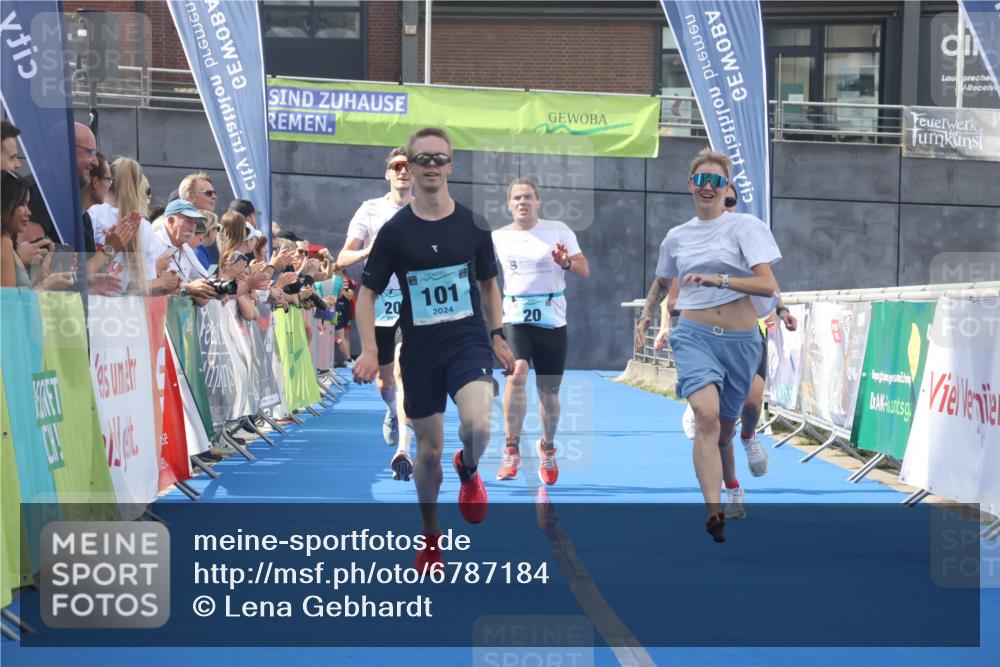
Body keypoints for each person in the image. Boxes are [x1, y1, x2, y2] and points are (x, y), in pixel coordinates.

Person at [353, 127, 515, 571]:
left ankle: (469, 467)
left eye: (438, 158)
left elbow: (489, 283)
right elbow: (366, 294)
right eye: (421, 159)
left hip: (468, 343)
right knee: (427, 451)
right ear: (408, 166)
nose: (430, 165)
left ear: (450, 167)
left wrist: (497, 334)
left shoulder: (473, 224)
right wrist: (370, 351)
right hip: (420, 352)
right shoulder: (395, 232)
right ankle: (430, 536)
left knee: (478, 424)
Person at [635, 148, 781, 543]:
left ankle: (742, 451)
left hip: (741, 341)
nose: (708, 187)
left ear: (726, 187)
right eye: (701, 179)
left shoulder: (746, 227)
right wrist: (647, 315)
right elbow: (662, 280)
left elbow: (768, 284)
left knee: (725, 429)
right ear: (690, 184)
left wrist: (722, 281)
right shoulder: (677, 237)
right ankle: (714, 509)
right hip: (694, 335)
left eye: (716, 181)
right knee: (705, 416)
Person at [491, 178, 589, 484]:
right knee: (517, 373)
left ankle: (547, 448)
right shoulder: (498, 237)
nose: (522, 202)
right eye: (517, 198)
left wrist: (565, 262)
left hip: (552, 319)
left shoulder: (557, 230)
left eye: (528, 197)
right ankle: (511, 448)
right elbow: (484, 278)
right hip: (515, 316)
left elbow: (583, 269)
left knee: (548, 394)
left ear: (538, 201)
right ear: (509, 205)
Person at [338, 147, 415, 480]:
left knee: (402, 371)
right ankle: (391, 410)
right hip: (379, 301)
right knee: (385, 382)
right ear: (388, 174)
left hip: (414, 301)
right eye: (397, 166)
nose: (403, 171)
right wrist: (373, 248)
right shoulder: (370, 209)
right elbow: (342, 259)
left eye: (408, 166)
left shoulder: (426, 210)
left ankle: (404, 449)